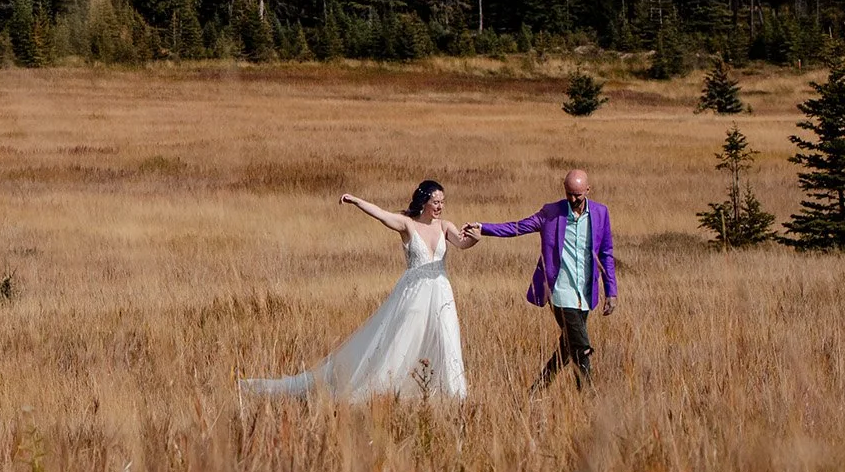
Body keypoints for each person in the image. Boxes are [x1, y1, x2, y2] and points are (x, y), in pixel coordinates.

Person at [241, 179, 477, 401]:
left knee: (446, 336)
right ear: (424, 202)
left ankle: (456, 392)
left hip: (441, 293)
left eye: (442, 202)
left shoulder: (445, 226)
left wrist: (475, 238)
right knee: (402, 339)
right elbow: (381, 214)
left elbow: (463, 243)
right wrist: (356, 201)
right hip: (413, 294)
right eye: (436, 202)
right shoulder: (407, 224)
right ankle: (385, 388)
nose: (440, 207)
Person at [466, 168, 616, 388]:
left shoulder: (600, 213)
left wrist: (611, 291)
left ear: (588, 190)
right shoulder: (551, 213)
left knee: (568, 347)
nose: (573, 199)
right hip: (560, 291)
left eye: (578, 195)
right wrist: (485, 228)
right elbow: (518, 227)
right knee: (582, 346)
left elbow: (606, 253)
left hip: (584, 292)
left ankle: (537, 389)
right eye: (569, 194)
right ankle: (589, 397)